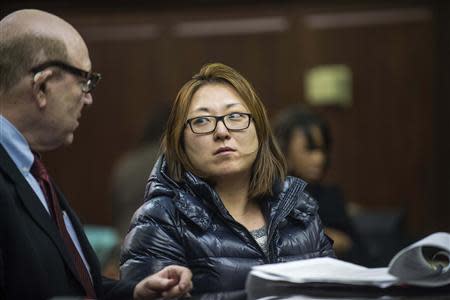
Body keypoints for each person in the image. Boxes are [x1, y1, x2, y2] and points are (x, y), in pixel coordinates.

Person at [0, 9, 192, 300]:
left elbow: (76, 287)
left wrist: (136, 294)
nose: (88, 98)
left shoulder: (31, 169)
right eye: (84, 81)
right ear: (42, 86)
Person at [120, 63, 334, 296]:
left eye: (235, 116)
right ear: (180, 143)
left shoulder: (298, 207)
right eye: (202, 121)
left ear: (259, 130)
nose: (222, 131)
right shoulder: (161, 219)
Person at [273, 104, 368, 264]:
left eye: (323, 150)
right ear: (284, 150)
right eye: (310, 150)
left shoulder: (331, 196)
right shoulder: (268, 195)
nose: (320, 159)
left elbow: (358, 252)